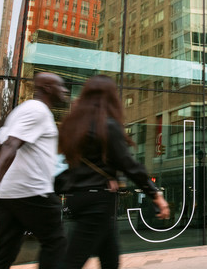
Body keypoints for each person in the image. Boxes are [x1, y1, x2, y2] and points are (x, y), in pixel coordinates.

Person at [58, 75, 169, 269]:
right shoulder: (107, 126)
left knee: (110, 259)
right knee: (71, 263)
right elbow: (129, 164)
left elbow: (79, 165)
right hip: (97, 203)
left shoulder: (75, 127)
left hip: (82, 198)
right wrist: (155, 194)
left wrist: (109, 176)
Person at [0, 72, 69, 269]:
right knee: (56, 244)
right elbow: (10, 145)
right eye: (62, 86)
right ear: (48, 88)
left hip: (9, 195)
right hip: (32, 192)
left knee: (5, 253)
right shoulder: (38, 110)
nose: (66, 91)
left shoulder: (22, 110)